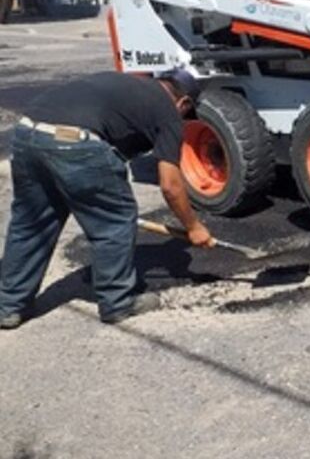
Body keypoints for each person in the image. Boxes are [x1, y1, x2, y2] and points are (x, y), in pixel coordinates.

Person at [0, 69, 214, 329]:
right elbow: (170, 185)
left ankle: (9, 306)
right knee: (115, 220)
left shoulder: (128, 84)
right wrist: (193, 226)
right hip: (74, 143)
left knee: (31, 224)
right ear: (184, 103)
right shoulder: (168, 112)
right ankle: (118, 302)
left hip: (26, 134)